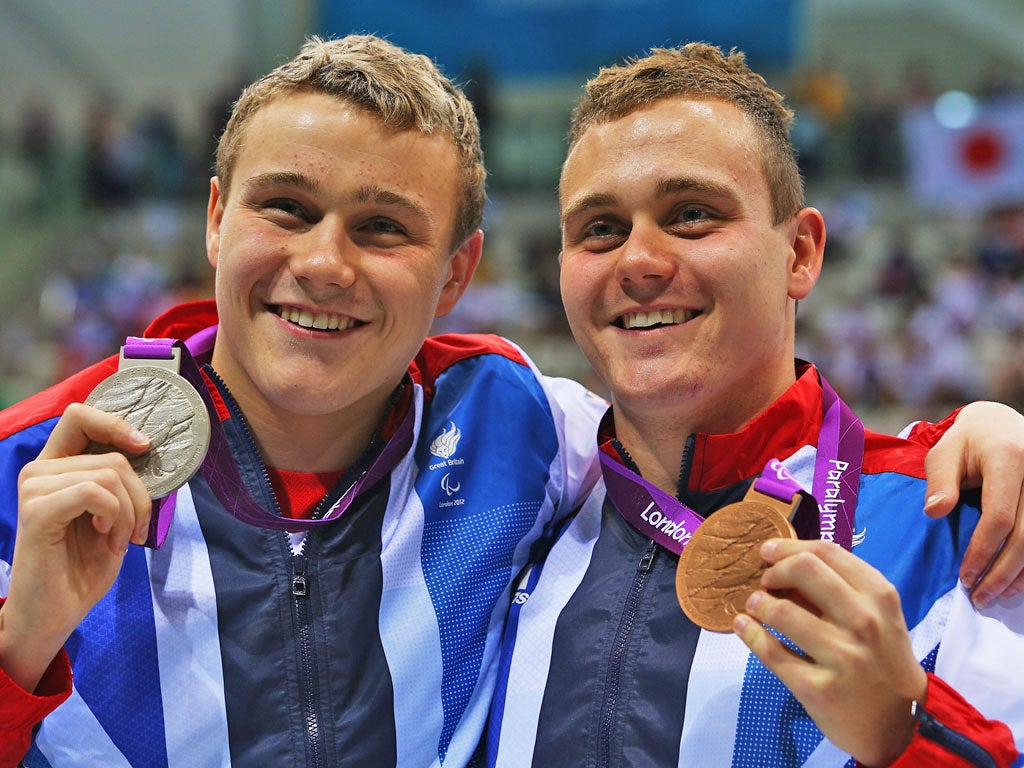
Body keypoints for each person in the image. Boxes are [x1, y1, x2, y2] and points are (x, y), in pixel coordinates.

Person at [0, 34, 1020, 768]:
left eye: (383, 228)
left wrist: (907, 733)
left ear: (455, 277)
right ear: (217, 220)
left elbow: (767, 450)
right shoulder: (28, 477)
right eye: (287, 207)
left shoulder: (517, 433)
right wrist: (17, 650)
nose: (322, 263)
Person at [484, 43, 1024, 767]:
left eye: (692, 214)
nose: (638, 260)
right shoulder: (513, 521)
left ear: (800, 253)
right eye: (600, 229)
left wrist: (911, 737)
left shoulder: (970, 531)